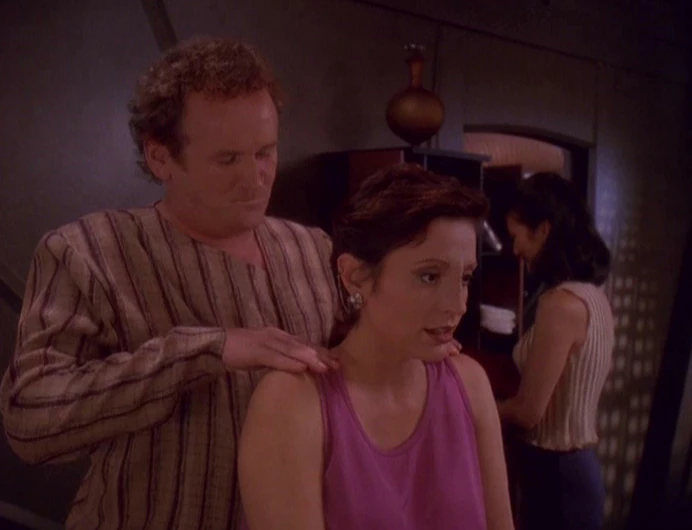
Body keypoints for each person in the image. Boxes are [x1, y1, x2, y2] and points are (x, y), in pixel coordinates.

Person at [0, 37, 339, 529]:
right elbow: (30, 421)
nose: (256, 179)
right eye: (228, 159)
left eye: (265, 152)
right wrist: (203, 352)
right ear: (160, 157)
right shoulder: (86, 252)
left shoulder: (315, 251)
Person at [239, 163, 515, 530]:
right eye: (429, 276)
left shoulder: (470, 384)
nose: (457, 304)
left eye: (464, 277)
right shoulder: (292, 403)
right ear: (356, 277)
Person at [497, 172, 615, 530]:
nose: (514, 249)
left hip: (555, 473)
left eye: (516, 236)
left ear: (543, 230)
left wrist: (471, 408)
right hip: (575, 468)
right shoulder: (593, 295)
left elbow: (528, 412)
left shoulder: (560, 304)